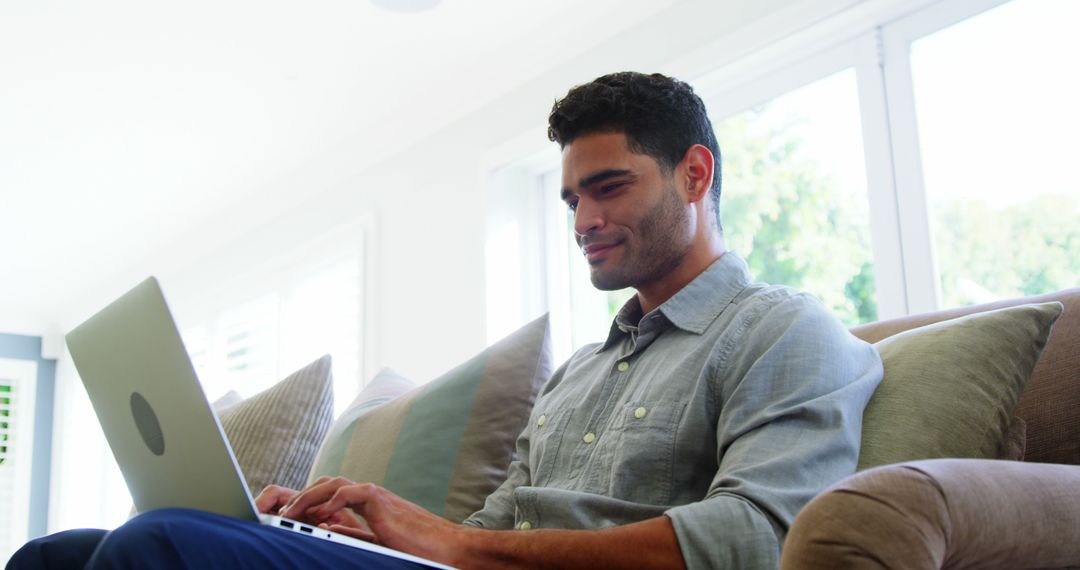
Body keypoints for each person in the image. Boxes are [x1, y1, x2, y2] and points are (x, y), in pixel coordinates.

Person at [8, 72, 882, 570]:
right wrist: (352, 528)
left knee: (162, 545)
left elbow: (759, 537)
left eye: (610, 187)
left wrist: (456, 542)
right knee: (55, 555)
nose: (581, 219)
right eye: (572, 197)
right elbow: (494, 528)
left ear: (695, 176)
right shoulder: (582, 370)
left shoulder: (780, 331)